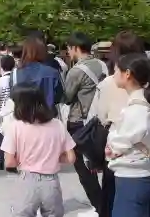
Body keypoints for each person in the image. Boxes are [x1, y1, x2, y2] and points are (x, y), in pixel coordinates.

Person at [88, 31, 145, 217]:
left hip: (122, 158)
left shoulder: (110, 83)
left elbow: (100, 117)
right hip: (145, 159)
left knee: (116, 201)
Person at [1, 82, 76, 216]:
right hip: (52, 182)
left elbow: (9, 162)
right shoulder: (57, 124)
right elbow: (71, 158)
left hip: (27, 180)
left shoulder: (15, 127)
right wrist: (55, 157)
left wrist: (23, 161)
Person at [64, 32, 108, 216]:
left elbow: (66, 97)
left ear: (75, 48)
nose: (67, 52)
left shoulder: (76, 71)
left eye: (68, 48)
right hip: (101, 120)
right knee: (103, 164)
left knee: (84, 169)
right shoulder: (102, 64)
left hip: (79, 123)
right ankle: (106, 203)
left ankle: (99, 207)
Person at [105, 53, 150, 217]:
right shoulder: (140, 105)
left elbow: (116, 146)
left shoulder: (136, 110)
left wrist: (110, 144)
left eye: (116, 70)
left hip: (133, 178)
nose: (114, 74)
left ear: (128, 73)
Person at [0, 54, 15, 170]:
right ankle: (13, 161)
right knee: (14, 137)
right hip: (15, 112)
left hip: (2, 112)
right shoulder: (17, 79)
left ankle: (0, 160)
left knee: (1, 136)